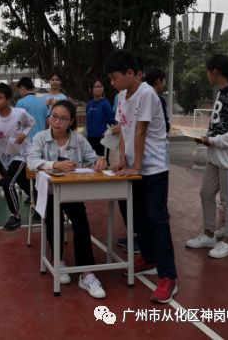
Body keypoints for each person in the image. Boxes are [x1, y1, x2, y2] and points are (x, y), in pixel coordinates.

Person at [104, 49, 177, 304]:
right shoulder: (123, 96)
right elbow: (124, 130)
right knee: (134, 213)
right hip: (135, 166)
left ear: (131, 73)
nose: (112, 83)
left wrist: (137, 167)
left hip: (154, 166)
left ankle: (168, 277)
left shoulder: (146, 93)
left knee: (157, 218)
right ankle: (148, 257)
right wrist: (123, 160)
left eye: (115, 78)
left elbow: (141, 132)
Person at [28, 100, 107, 298]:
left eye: (63, 118)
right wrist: (54, 164)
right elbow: (31, 162)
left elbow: (92, 158)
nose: (57, 122)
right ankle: (58, 260)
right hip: (48, 191)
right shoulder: (40, 138)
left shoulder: (79, 140)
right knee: (54, 219)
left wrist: (99, 160)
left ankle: (86, 273)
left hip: (72, 192)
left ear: (71, 121)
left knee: (81, 223)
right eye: (54, 116)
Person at [186, 54, 228, 258]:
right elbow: (220, 124)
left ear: (215, 72)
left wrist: (213, 140)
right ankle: (208, 233)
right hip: (215, 156)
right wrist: (207, 137)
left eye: (208, 71)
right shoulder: (222, 93)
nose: (207, 75)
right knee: (206, 192)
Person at [0, 83, 35, 230]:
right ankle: (43, 201)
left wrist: (24, 133)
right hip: (6, 157)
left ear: (8, 99)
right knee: (24, 183)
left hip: (22, 153)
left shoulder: (20, 113)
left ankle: (15, 217)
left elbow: (31, 123)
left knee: (7, 183)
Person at [85, 78, 116, 158]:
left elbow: (111, 121)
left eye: (101, 86)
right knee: (92, 160)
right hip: (90, 137)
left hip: (102, 138)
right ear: (90, 89)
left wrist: (107, 132)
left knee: (103, 161)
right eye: (96, 87)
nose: (99, 89)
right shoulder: (89, 105)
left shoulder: (105, 103)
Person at [144, 67, 170, 133]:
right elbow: (165, 123)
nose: (165, 83)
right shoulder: (158, 99)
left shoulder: (142, 95)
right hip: (156, 140)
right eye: (164, 80)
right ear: (158, 81)